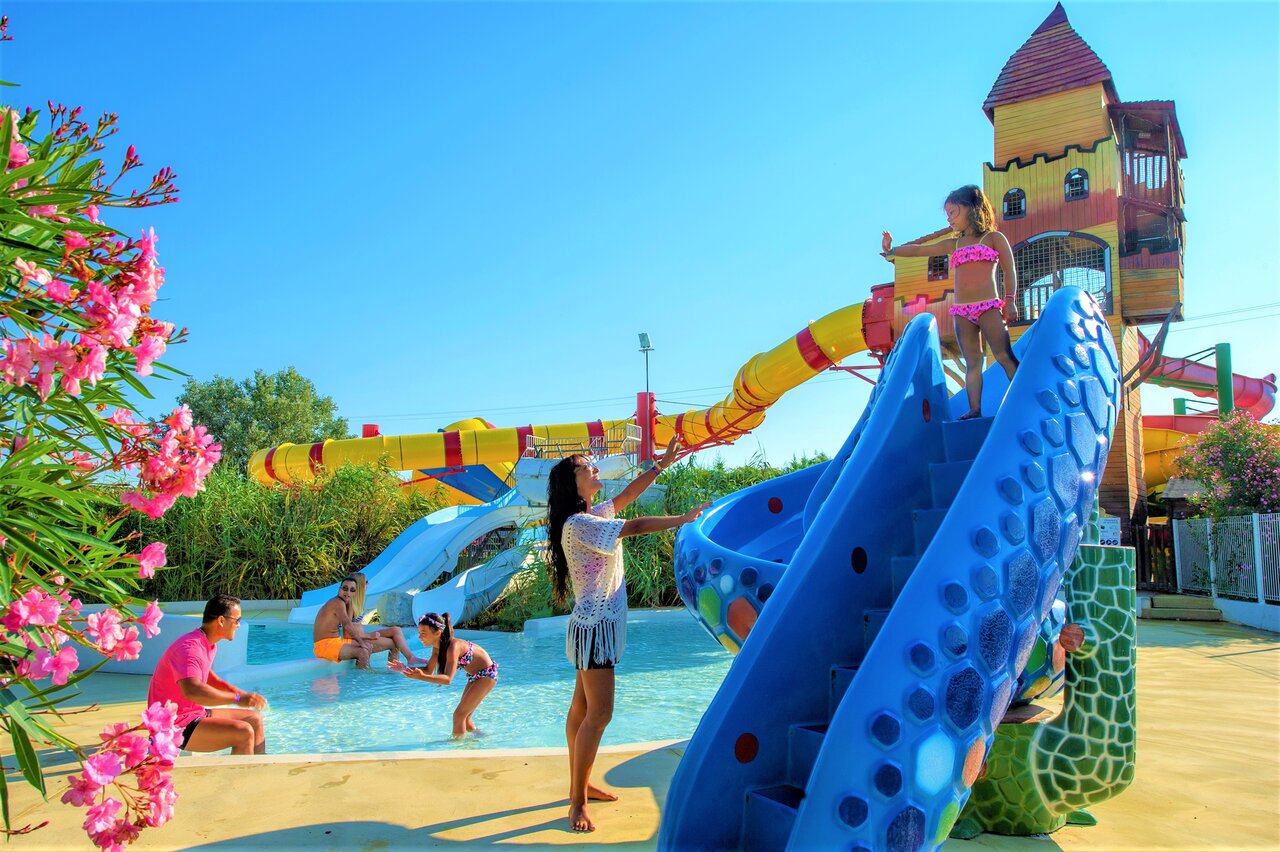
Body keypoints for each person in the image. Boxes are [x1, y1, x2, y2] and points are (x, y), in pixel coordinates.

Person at [546, 438, 709, 833]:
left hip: (592, 626)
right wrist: (681, 520)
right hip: (596, 630)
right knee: (598, 714)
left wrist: (662, 464)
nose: (595, 468)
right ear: (574, 482)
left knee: (582, 712)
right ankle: (577, 803)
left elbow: (628, 497)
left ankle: (580, 785)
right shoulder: (580, 524)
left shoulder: (591, 517)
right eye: (588, 467)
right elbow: (633, 526)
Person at [882, 184, 1019, 419]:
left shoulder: (993, 238)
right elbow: (919, 251)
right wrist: (893, 250)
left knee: (1003, 354)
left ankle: (1022, 397)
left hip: (988, 306)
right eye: (947, 215)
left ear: (972, 209)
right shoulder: (953, 244)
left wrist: (1010, 300)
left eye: (954, 213)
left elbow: (1009, 269)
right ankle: (975, 408)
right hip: (962, 311)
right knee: (973, 362)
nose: (950, 219)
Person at [146, 594, 269, 755]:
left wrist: (245, 696)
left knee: (254, 719)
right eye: (237, 620)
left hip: (194, 715)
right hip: (173, 726)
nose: (238, 625)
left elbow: (211, 679)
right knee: (243, 732)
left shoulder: (207, 644)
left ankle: (259, 772)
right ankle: (239, 779)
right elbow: (193, 691)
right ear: (221, 621)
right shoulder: (190, 648)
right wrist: (237, 699)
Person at [388, 612, 497, 738]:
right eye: (419, 633)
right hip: (475, 676)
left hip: (486, 674)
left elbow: (447, 679)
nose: (420, 637)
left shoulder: (453, 647)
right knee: (465, 720)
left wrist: (421, 676)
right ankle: (484, 739)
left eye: (423, 633)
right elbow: (428, 670)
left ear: (438, 633)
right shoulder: (437, 648)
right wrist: (405, 668)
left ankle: (457, 749)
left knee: (459, 716)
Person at [312, 574, 428, 669]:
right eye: (366, 582)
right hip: (352, 639)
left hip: (355, 637)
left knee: (396, 630)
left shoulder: (353, 601)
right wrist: (367, 637)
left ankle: (409, 660)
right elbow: (347, 630)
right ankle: (393, 669)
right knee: (395, 643)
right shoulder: (346, 603)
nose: (368, 584)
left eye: (351, 589)